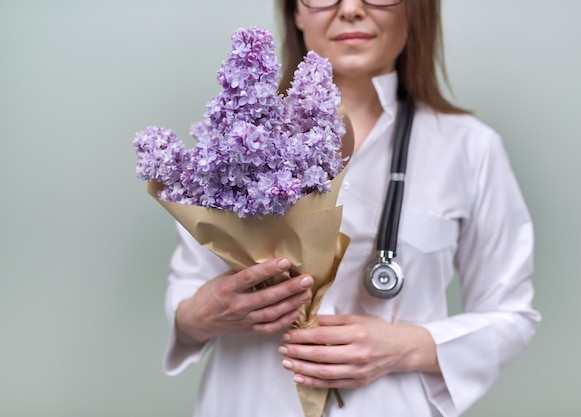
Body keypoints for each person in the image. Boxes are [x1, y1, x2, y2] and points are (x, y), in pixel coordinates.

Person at [164, 0, 541, 416]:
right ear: (296, 14)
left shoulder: (470, 148)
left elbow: (511, 316)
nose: (351, 9)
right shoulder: (232, 144)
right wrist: (203, 314)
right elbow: (186, 296)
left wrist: (405, 347)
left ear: (417, 11)